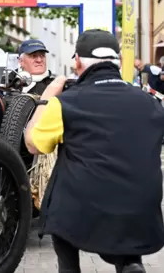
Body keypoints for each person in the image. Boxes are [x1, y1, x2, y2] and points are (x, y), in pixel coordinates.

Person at [24, 29, 164, 273]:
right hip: (142, 213)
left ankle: (70, 268)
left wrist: (45, 99)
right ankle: (130, 263)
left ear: (77, 62)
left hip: (83, 214)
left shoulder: (65, 103)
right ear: (118, 62)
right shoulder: (151, 102)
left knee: (60, 199)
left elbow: (32, 144)